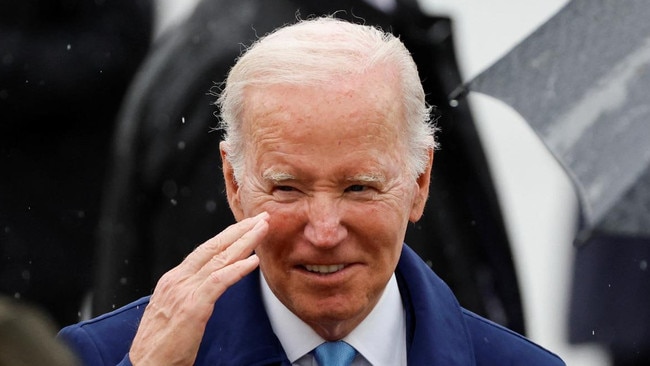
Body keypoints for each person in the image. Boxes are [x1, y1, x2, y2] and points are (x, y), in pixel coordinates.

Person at [59, 17, 563, 365]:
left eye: (359, 187)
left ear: (419, 183)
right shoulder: (101, 356)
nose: (323, 231)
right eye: (287, 188)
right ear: (234, 185)